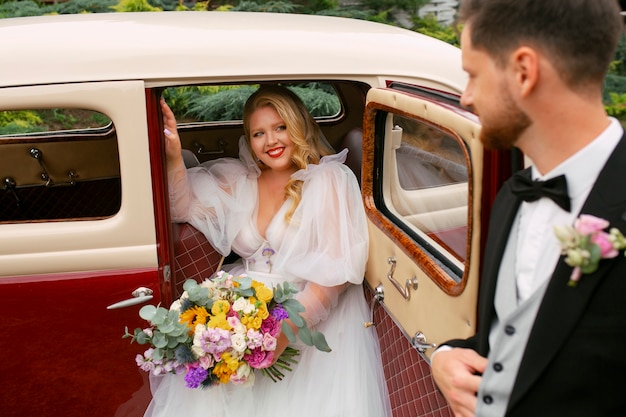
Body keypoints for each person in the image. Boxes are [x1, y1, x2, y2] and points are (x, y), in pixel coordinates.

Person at [145, 85, 392, 417]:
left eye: (280, 127)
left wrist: (284, 331)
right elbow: (181, 206)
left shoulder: (328, 179)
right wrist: (173, 153)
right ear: (249, 139)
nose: (271, 141)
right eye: (259, 133)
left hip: (308, 312)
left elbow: (334, 274)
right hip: (243, 305)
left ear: (299, 126)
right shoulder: (241, 180)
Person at [431, 1, 626, 417]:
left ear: (524, 71)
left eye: (472, 75)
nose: (466, 98)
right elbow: (513, 340)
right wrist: (446, 355)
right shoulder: (511, 196)